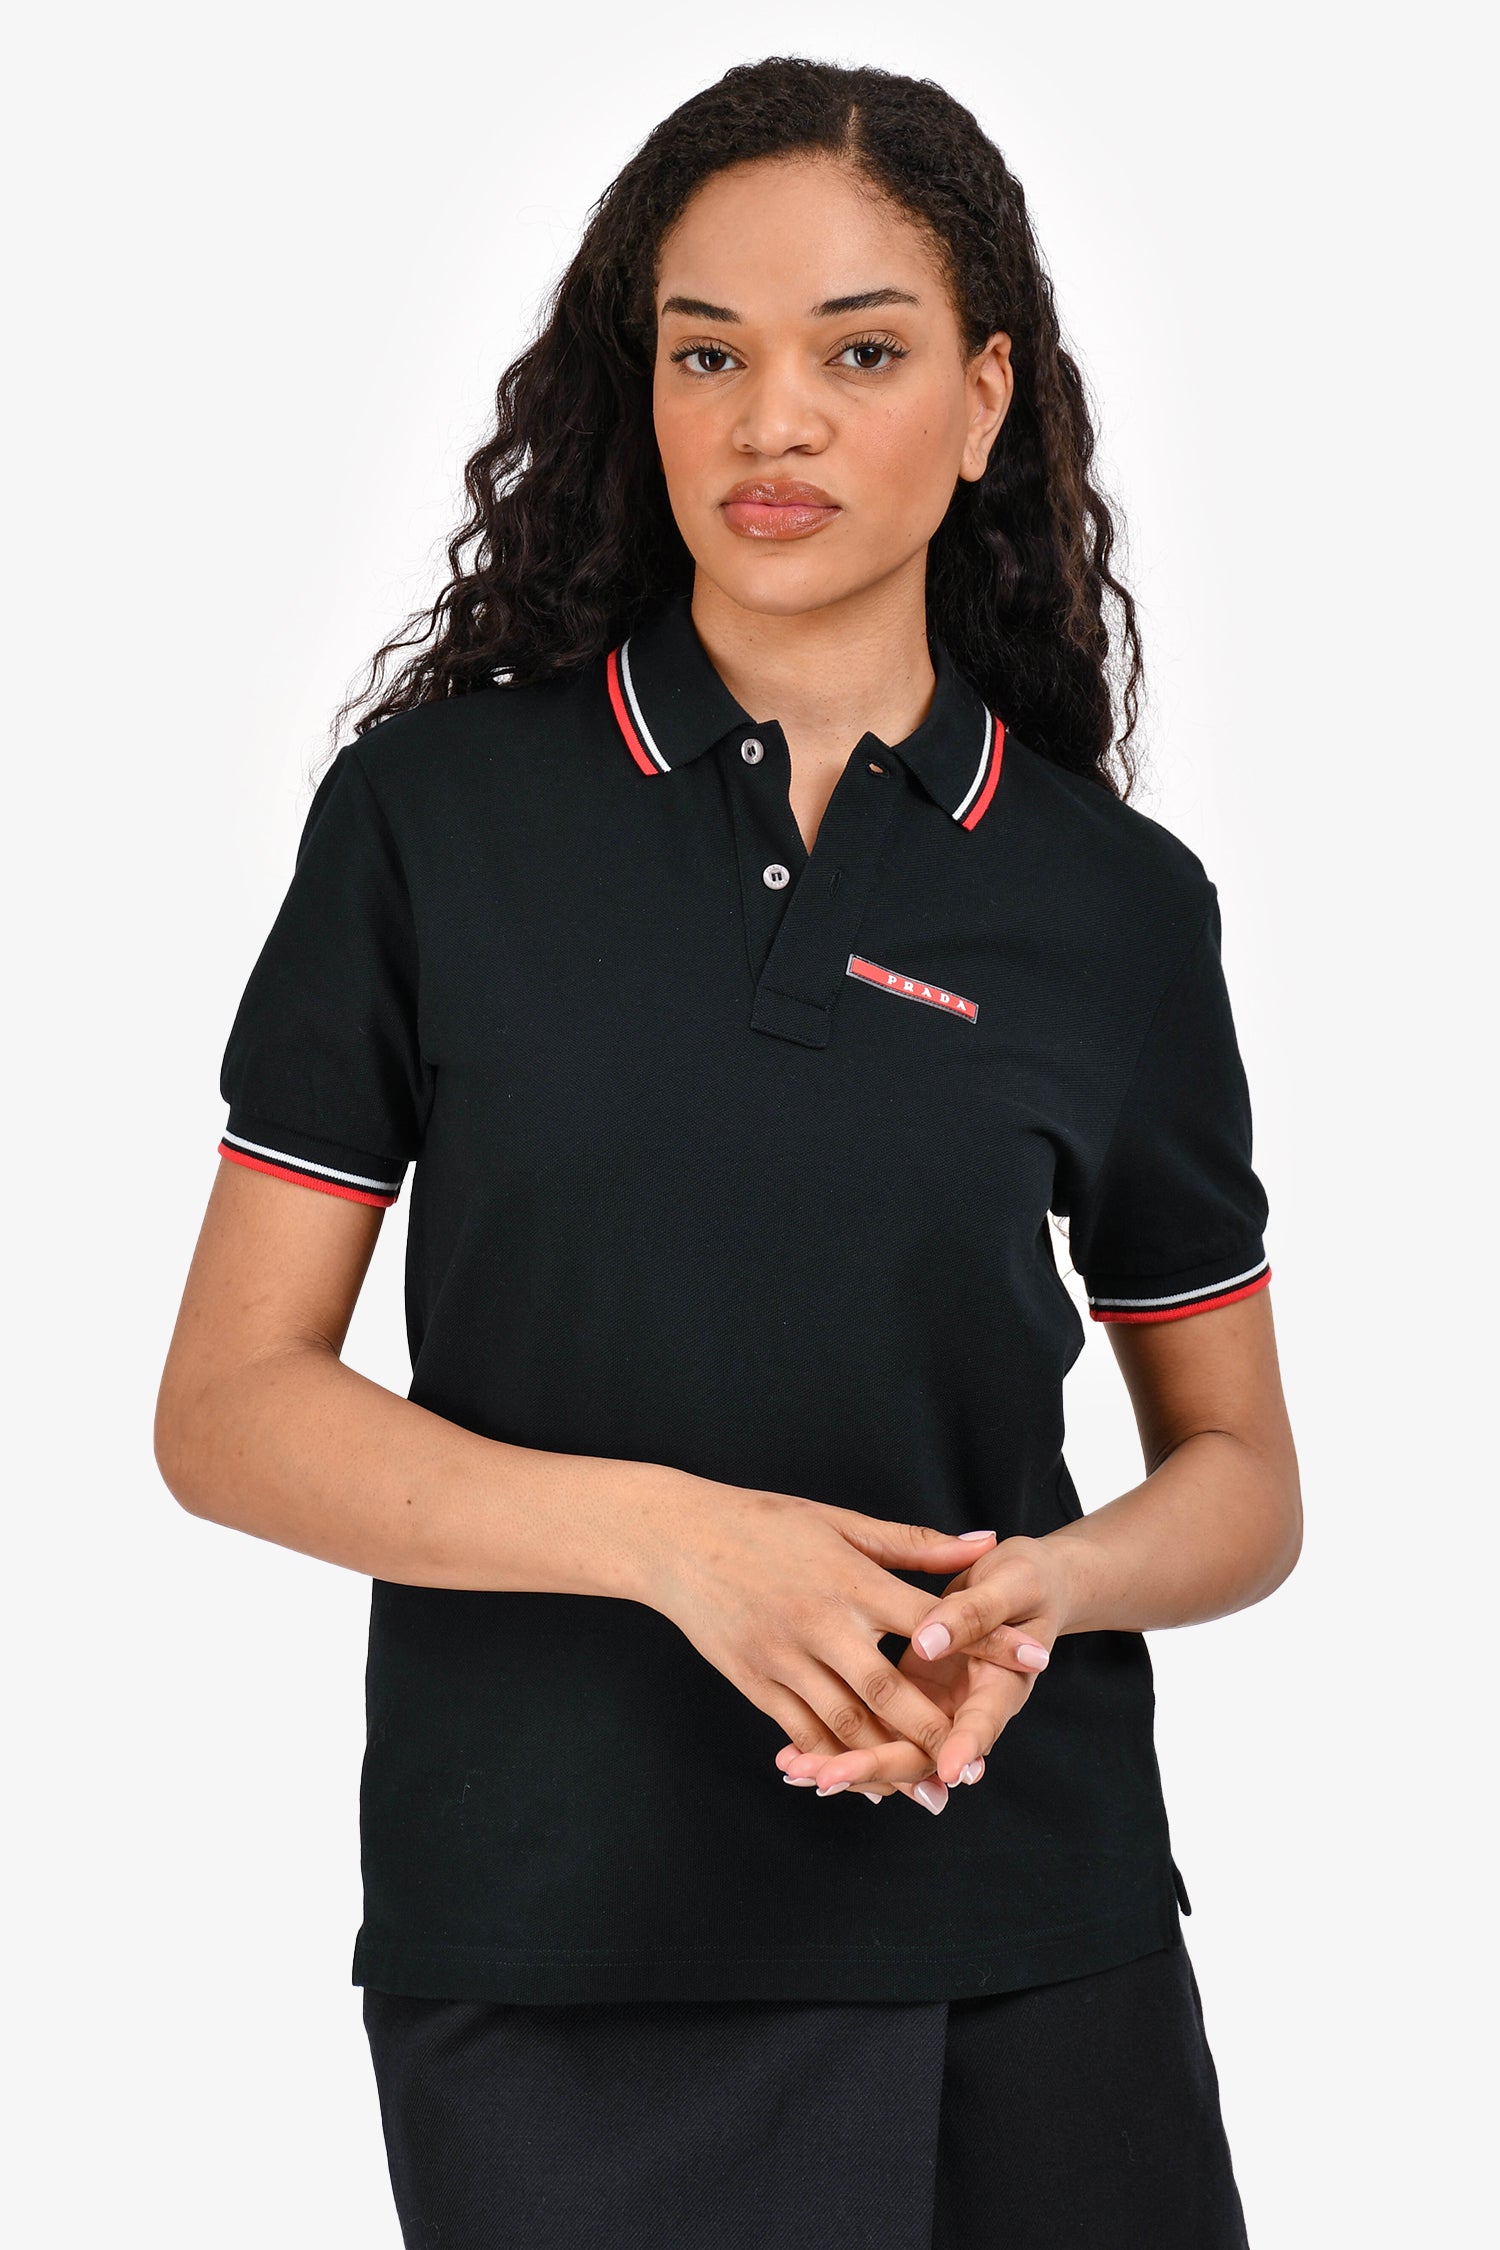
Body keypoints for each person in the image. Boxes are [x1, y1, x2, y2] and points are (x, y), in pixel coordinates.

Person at [155, 54, 1300, 2250]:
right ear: (646, 389)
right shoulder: (432, 826)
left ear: (986, 398)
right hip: (561, 1958)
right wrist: (686, 1545)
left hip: (1034, 1937)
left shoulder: (1116, 909)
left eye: (859, 354)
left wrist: (1047, 1590)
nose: (775, 422)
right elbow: (226, 1410)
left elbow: (1242, 1474)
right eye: (709, 355)